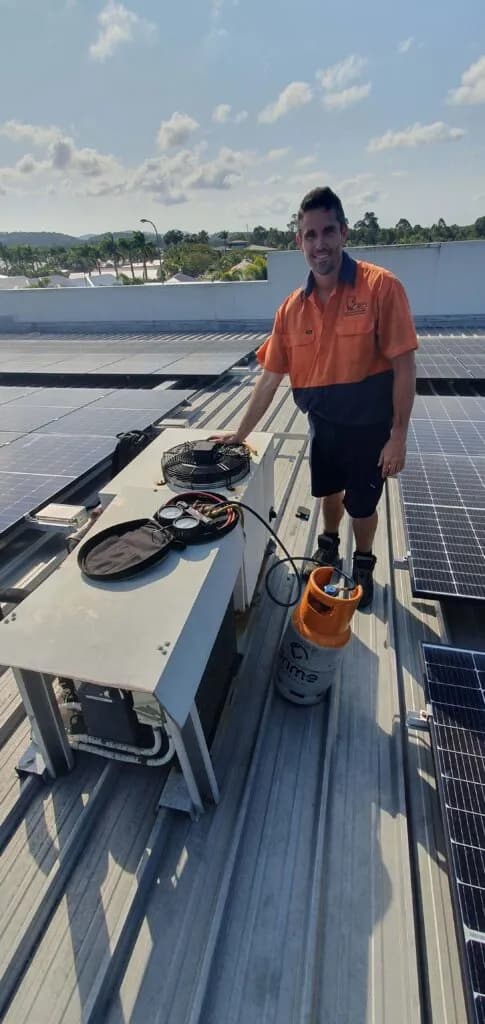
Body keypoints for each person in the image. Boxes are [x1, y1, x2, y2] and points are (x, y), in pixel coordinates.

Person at [213, 186, 417, 608]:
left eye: (327, 232)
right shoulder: (291, 309)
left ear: (343, 232)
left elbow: (404, 366)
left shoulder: (381, 288)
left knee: (362, 505)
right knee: (328, 491)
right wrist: (239, 433)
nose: (319, 244)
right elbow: (269, 379)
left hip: (369, 427)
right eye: (310, 235)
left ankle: (362, 561)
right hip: (323, 425)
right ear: (298, 241)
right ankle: (327, 544)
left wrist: (398, 435)